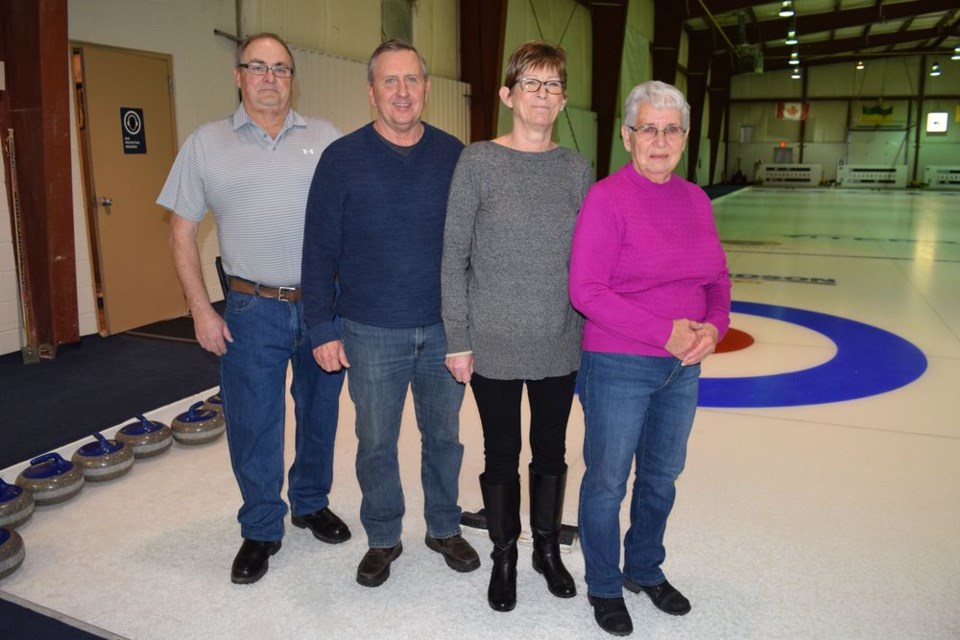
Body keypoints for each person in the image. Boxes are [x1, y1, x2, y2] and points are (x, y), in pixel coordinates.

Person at [158, 33, 350, 586]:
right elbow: (181, 233)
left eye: (282, 69)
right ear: (238, 76)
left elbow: (354, 225)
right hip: (249, 307)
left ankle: (310, 503)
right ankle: (262, 527)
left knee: (320, 413)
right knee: (254, 423)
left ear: (293, 78)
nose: (271, 78)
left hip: (320, 307)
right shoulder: (205, 143)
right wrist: (200, 310)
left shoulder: (327, 140)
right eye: (258, 67)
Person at [301, 39, 479, 588]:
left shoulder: (455, 156)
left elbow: (475, 245)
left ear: (427, 88)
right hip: (370, 329)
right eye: (389, 81)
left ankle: (444, 526)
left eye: (412, 80)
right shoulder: (341, 161)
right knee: (375, 440)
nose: (402, 92)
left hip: (443, 328)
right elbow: (318, 251)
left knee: (444, 439)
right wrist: (322, 326)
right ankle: (382, 536)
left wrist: (471, 325)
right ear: (371, 92)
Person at [568, 80, 731, 636]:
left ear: (684, 137)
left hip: (682, 369)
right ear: (627, 135)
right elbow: (585, 291)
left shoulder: (695, 200)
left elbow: (717, 278)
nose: (659, 140)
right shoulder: (607, 199)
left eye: (670, 129)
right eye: (648, 129)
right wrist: (665, 333)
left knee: (660, 478)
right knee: (609, 481)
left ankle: (644, 568)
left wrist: (714, 326)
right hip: (618, 364)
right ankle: (605, 585)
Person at [441, 41, 592, 612]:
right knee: (501, 452)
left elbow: (588, 259)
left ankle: (546, 550)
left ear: (564, 100)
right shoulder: (477, 161)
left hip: (558, 339)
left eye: (553, 86)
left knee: (550, 451)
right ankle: (504, 554)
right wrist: (458, 338)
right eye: (532, 84)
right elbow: (453, 256)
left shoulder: (576, 169)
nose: (543, 95)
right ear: (507, 94)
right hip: (493, 343)